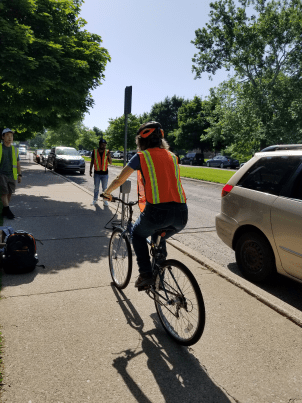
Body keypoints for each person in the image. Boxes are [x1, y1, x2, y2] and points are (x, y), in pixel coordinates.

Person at [103, 121, 188, 288]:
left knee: (137, 234)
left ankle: (146, 274)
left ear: (141, 140)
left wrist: (107, 192)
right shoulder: (173, 156)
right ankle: (159, 279)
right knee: (159, 237)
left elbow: (120, 179)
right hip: (181, 214)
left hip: (157, 211)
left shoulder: (142, 157)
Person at [0, 128, 22, 219]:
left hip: (12, 175)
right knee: (4, 192)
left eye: (11, 136)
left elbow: (18, 163)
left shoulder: (15, 149)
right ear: (2, 137)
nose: (10, 138)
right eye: (7, 136)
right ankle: (8, 211)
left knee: (10, 192)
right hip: (1, 174)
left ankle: (5, 210)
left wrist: (19, 174)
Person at [90, 139, 112, 206]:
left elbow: (110, 162)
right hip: (97, 173)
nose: (104, 146)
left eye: (105, 145)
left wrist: (109, 155)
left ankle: (105, 201)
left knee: (105, 188)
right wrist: (90, 170)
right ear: (99, 144)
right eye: (102, 144)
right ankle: (95, 200)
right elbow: (92, 161)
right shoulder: (94, 151)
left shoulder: (107, 152)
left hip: (105, 174)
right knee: (96, 188)